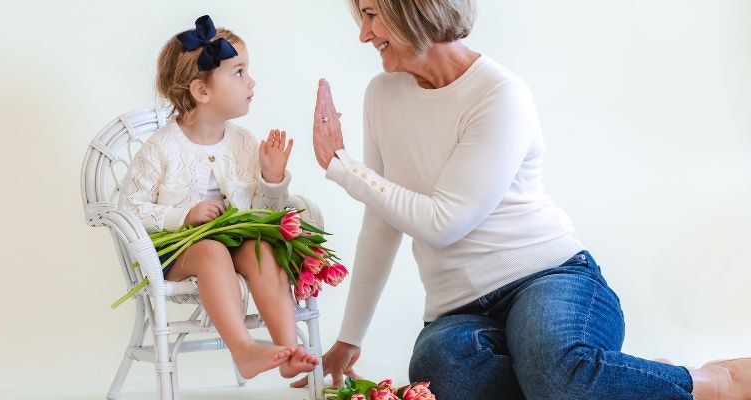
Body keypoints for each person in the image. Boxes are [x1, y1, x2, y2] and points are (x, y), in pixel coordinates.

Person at [293, 1, 751, 399]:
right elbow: (382, 218)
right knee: (443, 378)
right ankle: (600, 382)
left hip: (548, 279)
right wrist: (350, 337)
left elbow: (444, 221)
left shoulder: (499, 94)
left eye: (372, 15)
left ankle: (713, 382)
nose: (363, 34)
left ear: (413, 8)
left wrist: (341, 165)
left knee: (558, 376)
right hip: (455, 313)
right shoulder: (382, 95)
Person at [119, 15, 319, 380]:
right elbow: (130, 208)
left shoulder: (242, 142)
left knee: (263, 249)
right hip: (181, 252)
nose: (252, 81)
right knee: (211, 251)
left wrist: (272, 180)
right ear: (202, 91)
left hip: (236, 244)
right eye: (239, 72)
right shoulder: (162, 147)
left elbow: (263, 217)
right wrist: (184, 215)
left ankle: (291, 349)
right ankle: (243, 350)